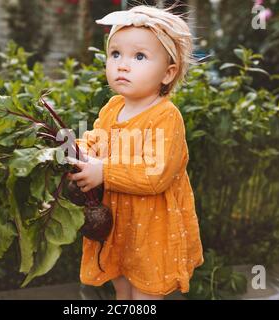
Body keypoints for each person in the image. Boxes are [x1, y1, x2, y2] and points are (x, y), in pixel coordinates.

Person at [67, 5, 204, 300]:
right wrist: (76, 150)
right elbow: (96, 139)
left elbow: (155, 175)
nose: (123, 65)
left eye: (139, 56)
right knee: (122, 283)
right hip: (118, 223)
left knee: (146, 291)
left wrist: (103, 171)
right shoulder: (114, 106)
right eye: (115, 54)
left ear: (168, 73)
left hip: (151, 228)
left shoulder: (166, 117)